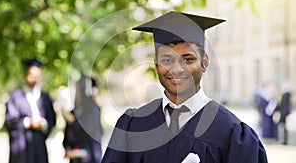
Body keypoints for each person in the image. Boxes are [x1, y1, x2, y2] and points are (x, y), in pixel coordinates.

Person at [102, 11, 268, 163]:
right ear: (156, 64)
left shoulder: (232, 134)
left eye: (188, 59)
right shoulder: (133, 125)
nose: (177, 69)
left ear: (204, 63)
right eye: (167, 60)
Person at [5, 59, 56, 163]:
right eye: (31, 76)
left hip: (39, 146)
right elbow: (9, 121)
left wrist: (43, 124)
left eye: (37, 76)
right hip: (20, 147)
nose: (34, 79)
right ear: (25, 75)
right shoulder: (15, 96)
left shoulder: (44, 98)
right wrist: (28, 123)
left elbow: (52, 119)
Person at [59, 74, 103, 163]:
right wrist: (67, 147)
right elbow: (68, 133)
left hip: (89, 157)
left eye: (77, 88)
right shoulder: (76, 110)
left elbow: (83, 129)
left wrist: (71, 119)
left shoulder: (93, 109)